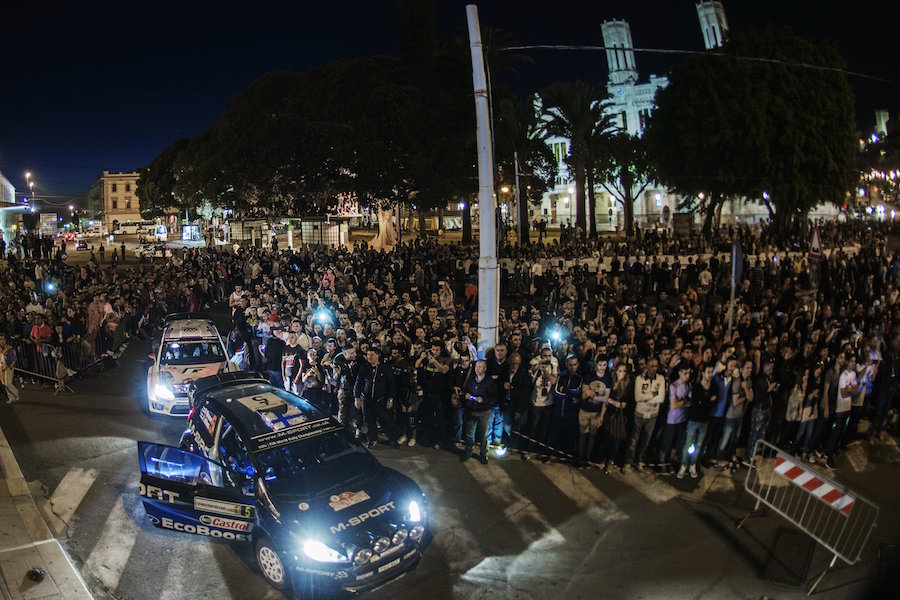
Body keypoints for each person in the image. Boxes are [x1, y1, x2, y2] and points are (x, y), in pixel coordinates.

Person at [354, 344, 400, 448]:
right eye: (368, 355)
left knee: (386, 421)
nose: (370, 357)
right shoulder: (364, 368)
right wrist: (356, 398)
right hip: (366, 400)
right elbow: (358, 383)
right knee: (369, 422)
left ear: (378, 355)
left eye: (372, 355)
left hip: (381, 400)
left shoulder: (385, 368)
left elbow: (392, 385)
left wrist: (390, 399)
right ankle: (372, 440)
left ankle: (393, 439)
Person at [678, 362, 716, 478]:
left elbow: (712, 404)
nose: (710, 375)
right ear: (703, 373)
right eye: (708, 372)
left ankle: (693, 465)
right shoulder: (696, 387)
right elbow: (696, 403)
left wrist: (704, 402)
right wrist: (707, 401)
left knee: (699, 445)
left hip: (705, 421)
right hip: (693, 420)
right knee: (688, 444)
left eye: (712, 372)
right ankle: (683, 465)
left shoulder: (713, 387)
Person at [627, 357, 665, 470]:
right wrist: (652, 395)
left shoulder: (661, 379)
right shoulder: (640, 379)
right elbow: (638, 397)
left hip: (653, 415)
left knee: (646, 440)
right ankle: (628, 461)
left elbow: (661, 398)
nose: (654, 368)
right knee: (634, 440)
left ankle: (640, 460)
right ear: (647, 367)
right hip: (639, 413)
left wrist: (648, 398)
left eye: (656, 366)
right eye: (652, 366)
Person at [461, 359, 496, 464]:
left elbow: (494, 397)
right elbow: (465, 391)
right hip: (470, 410)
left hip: (484, 412)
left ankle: (483, 454)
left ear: (485, 369)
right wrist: (465, 395)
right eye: (476, 366)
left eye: (480, 366)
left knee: (484, 435)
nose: (477, 368)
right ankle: (468, 451)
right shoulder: (471, 379)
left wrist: (484, 400)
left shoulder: (490, 381)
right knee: (469, 433)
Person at [580, 357, 611, 465]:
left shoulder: (607, 379)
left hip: (597, 412)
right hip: (585, 410)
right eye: (600, 365)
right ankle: (580, 457)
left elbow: (606, 400)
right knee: (583, 434)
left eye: (604, 365)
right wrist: (588, 393)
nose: (602, 368)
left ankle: (587, 458)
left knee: (592, 436)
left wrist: (602, 415)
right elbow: (583, 395)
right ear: (596, 364)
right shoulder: (589, 376)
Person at [662, 362, 691, 474]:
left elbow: (689, 402)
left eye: (689, 373)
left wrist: (681, 401)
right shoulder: (674, 386)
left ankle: (669, 463)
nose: (687, 375)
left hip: (682, 419)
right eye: (685, 373)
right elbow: (674, 405)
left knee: (676, 444)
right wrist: (684, 401)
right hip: (672, 420)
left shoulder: (689, 386)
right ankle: (662, 463)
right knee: (666, 444)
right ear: (680, 373)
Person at [0, 334, 18, 403]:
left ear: (5, 340)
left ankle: (16, 394)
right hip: (1, 369)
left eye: (3, 339)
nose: (1, 341)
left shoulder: (9, 348)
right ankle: (11, 398)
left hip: (8, 368)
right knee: (4, 384)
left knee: (8, 384)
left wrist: (10, 366)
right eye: (0, 340)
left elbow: (14, 359)